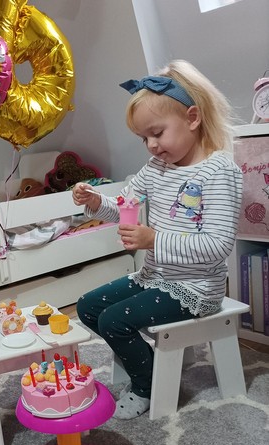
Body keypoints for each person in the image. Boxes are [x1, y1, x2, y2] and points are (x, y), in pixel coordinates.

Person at [72, 60, 242, 420]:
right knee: (88, 306)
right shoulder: (156, 169)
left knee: (113, 321)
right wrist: (96, 203)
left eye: (157, 133)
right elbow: (125, 209)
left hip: (196, 288)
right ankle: (149, 363)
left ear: (192, 118)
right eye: (143, 138)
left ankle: (148, 385)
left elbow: (218, 246)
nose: (151, 145)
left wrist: (153, 239)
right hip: (156, 277)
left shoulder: (219, 171)